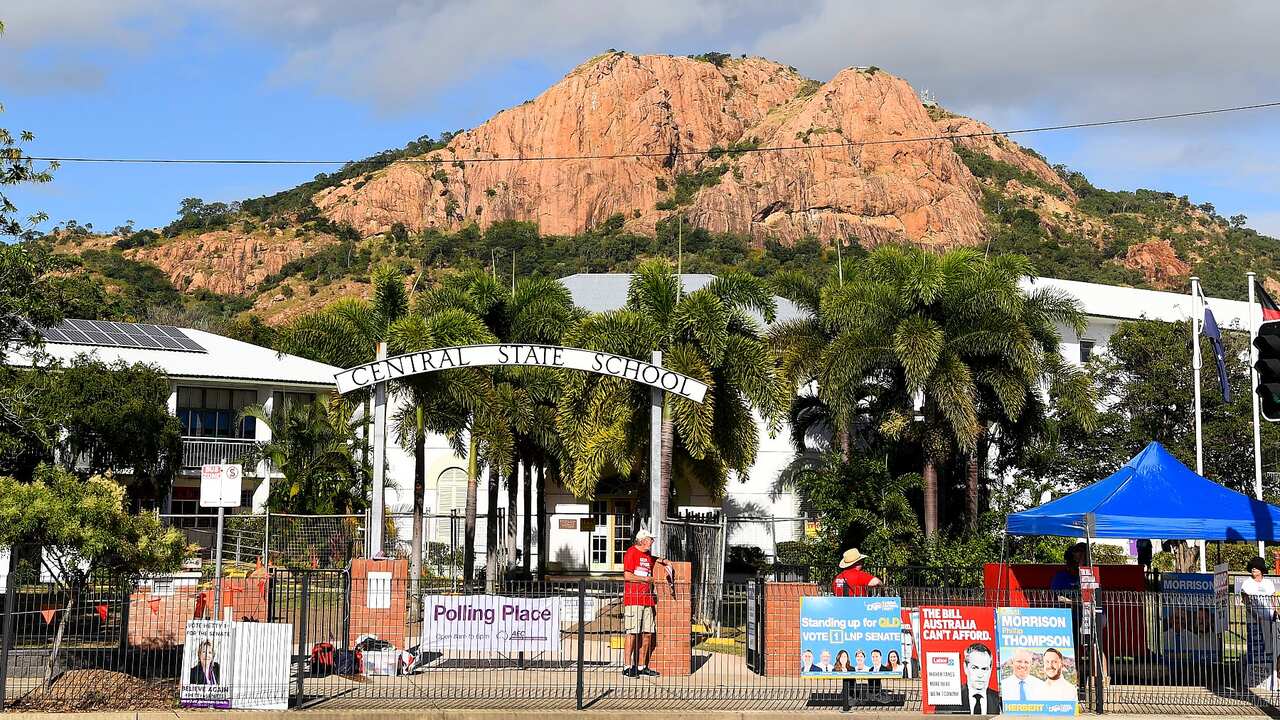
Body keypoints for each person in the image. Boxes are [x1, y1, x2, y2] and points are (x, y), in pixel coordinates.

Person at [832, 548, 885, 707]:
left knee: (847, 657)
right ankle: (874, 692)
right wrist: (881, 585)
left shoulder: (837, 579)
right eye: (861, 561)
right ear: (858, 563)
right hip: (861, 619)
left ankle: (850, 694)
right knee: (870, 651)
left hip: (843, 621)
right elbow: (876, 581)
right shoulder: (860, 575)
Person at [621, 529, 670, 678]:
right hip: (634, 599)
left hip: (647, 599)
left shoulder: (647, 555)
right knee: (632, 633)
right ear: (643, 540)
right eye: (650, 539)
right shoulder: (631, 553)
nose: (652, 542)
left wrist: (662, 560)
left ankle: (642, 666)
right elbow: (627, 575)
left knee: (648, 633)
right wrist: (646, 580)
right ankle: (627, 666)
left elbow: (652, 558)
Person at [939, 643, 1001, 715]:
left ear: (990, 670)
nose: (980, 675)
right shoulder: (948, 700)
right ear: (965, 667)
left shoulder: (1000, 701)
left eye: (984, 669)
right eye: (974, 668)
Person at [1241, 556, 1276, 660]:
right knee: (1256, 647)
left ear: (1261, 570)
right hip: (1253, 620)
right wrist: (1256, 615)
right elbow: (1246, 601)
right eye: (1252, 567)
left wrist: (1275, 613)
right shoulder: (1247, 583)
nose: (1253, 569)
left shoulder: (1268, 583)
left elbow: (1273, 599)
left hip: (1269, 617)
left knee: (1272, 641)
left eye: (1255, 568)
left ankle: (1271, 658)